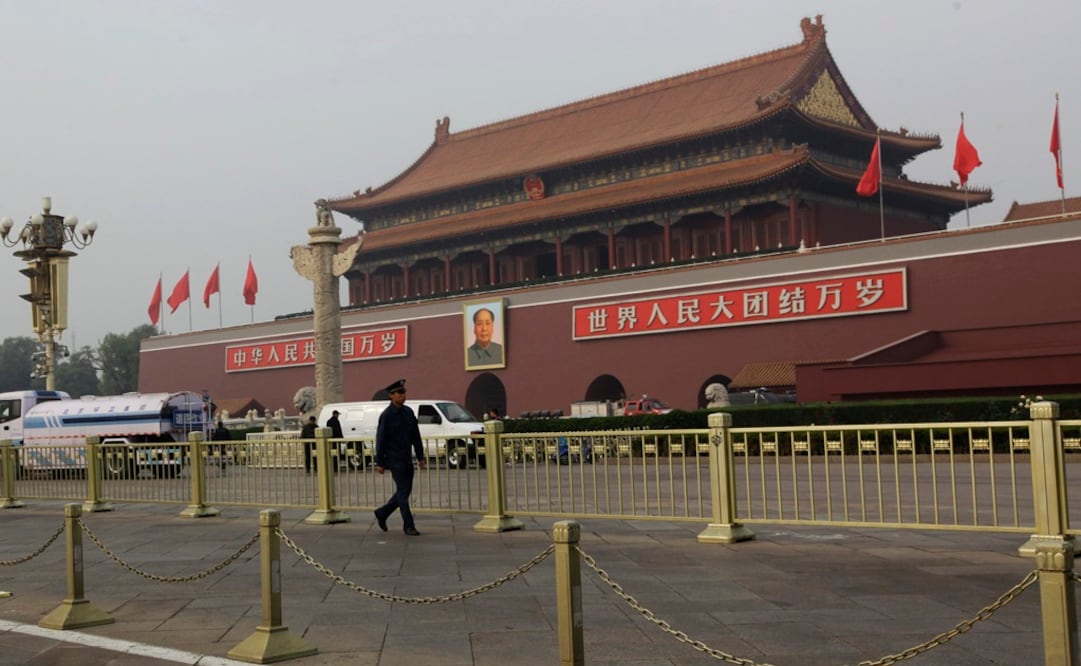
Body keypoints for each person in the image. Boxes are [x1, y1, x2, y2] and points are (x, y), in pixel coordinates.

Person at [373, 379, 426, 536]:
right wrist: (380, 462)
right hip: (394, 459)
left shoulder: (408, 412)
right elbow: (380, 440)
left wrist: (420, 456)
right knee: (403, 494)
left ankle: (382, 513)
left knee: (404, 492)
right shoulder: (387, 416)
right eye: (400, 393)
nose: (403, 396)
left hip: (406, 458)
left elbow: (415, 436)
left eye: (404, 393)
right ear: (392, 395)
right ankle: (408, 525)